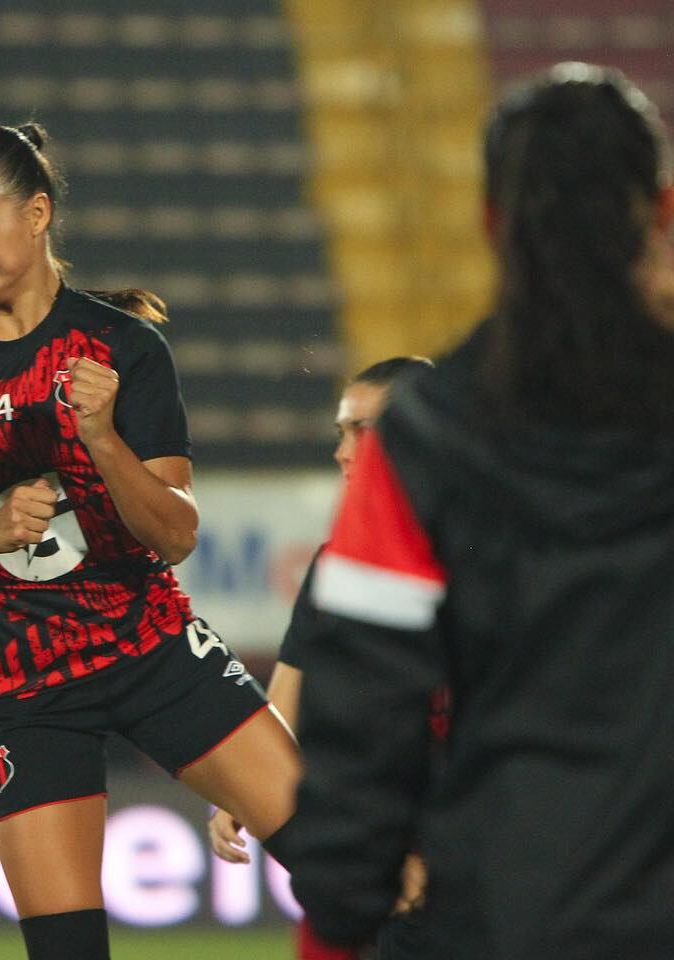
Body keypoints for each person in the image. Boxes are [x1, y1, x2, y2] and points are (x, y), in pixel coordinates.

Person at [287, 63, 674, 958]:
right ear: (659, 212)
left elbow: (359, 724)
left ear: (491, 224)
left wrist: (334, 934)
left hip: (501, 916)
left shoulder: (424, 439)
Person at [0, 123, 303, 960]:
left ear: (36, 214)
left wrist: (103, 438)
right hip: (17, 681)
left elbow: (177, 533)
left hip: (149, 646)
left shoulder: (122, 350)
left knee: (346, 855)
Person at [206, 356, 434, 960]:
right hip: (372, 865)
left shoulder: (490, 558)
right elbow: (283, 705)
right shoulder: (335, 565)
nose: (344, 450)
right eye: (341, 431)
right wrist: (242, 787)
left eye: (364, 429)